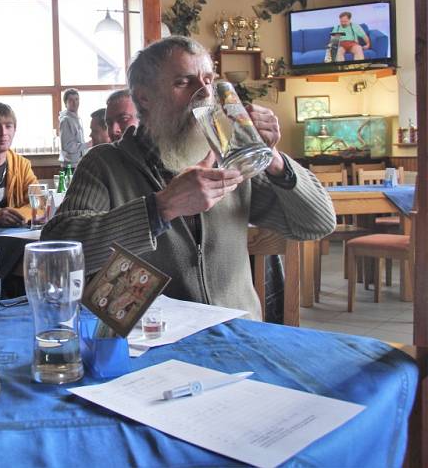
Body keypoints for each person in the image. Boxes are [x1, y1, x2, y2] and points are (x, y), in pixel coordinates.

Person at [42, 36, 335, 319]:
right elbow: (55, 253)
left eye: (208, 80)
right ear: (144, 98)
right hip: (153, 344)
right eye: (183, 82)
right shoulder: (105, 163)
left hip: (237, 336)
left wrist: (273, 157)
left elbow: (317, 223)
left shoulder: (229, 159)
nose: (205, 93)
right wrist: (161, 208)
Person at [58, 88, 87, 168]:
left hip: (78, 163)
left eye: (76, 99)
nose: (75, 103)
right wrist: (87, 144)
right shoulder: (65, 120)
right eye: (71, 100)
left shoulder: (77, 119)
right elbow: (67, 146)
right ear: (65, 103)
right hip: (70, 166)